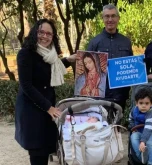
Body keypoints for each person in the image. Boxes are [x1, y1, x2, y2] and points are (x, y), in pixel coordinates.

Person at [15, 19, 77, 165]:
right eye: (41, 32)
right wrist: (48, 108)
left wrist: (69, 59)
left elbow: (52, 68)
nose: (45, 36)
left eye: (49, 33)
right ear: (35, 32)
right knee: (37, 152)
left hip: (46, 108)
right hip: (32, 110)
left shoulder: (50, 55)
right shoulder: (25, 54)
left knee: (46, 148)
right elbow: (26, 86)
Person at [87, 4, 133, 110]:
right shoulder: (94, 42)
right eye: (107, 16)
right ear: (102, 18)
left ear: (118, 18)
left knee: (117, 125)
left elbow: (131, 68)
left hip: (121, 95)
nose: (110, 19)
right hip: (100, 95)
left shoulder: (126, 42)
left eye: (113, 16)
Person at [128, 88, 152, 165]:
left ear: (151, 104)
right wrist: (133, 127)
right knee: (133, 137)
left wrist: (143, 141)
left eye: (147, 103)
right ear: (136, 103)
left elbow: (148, 129)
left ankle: (151, 163)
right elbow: (130, 119)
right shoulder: (134, 111)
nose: (143, 106)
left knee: (149, 143)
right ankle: (142, 158)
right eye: (141, 103)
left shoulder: (151, 114)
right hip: (139, 131)